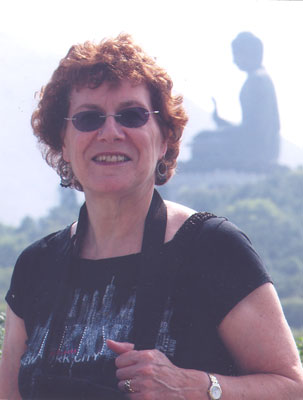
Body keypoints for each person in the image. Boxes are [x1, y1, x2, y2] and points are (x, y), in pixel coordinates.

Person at [0, 33, 302, 400]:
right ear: (62, 141)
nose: (110, 132)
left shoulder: (213, 247)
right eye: (88, 118)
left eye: (132, 115)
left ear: (164, 139)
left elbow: (293, 387)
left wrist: (195, 387)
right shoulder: (35, 265)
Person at [190, 31, 280, 172]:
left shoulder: (257, 81)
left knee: (201, 143)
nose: (234, 60)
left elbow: (254, 131)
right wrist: (221, 123)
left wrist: (219, 132)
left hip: (258, 150)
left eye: (237, 54)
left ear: (249, 53)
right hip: (259, 146)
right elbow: (250, 127)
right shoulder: (259, 79)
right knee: (204, 138)